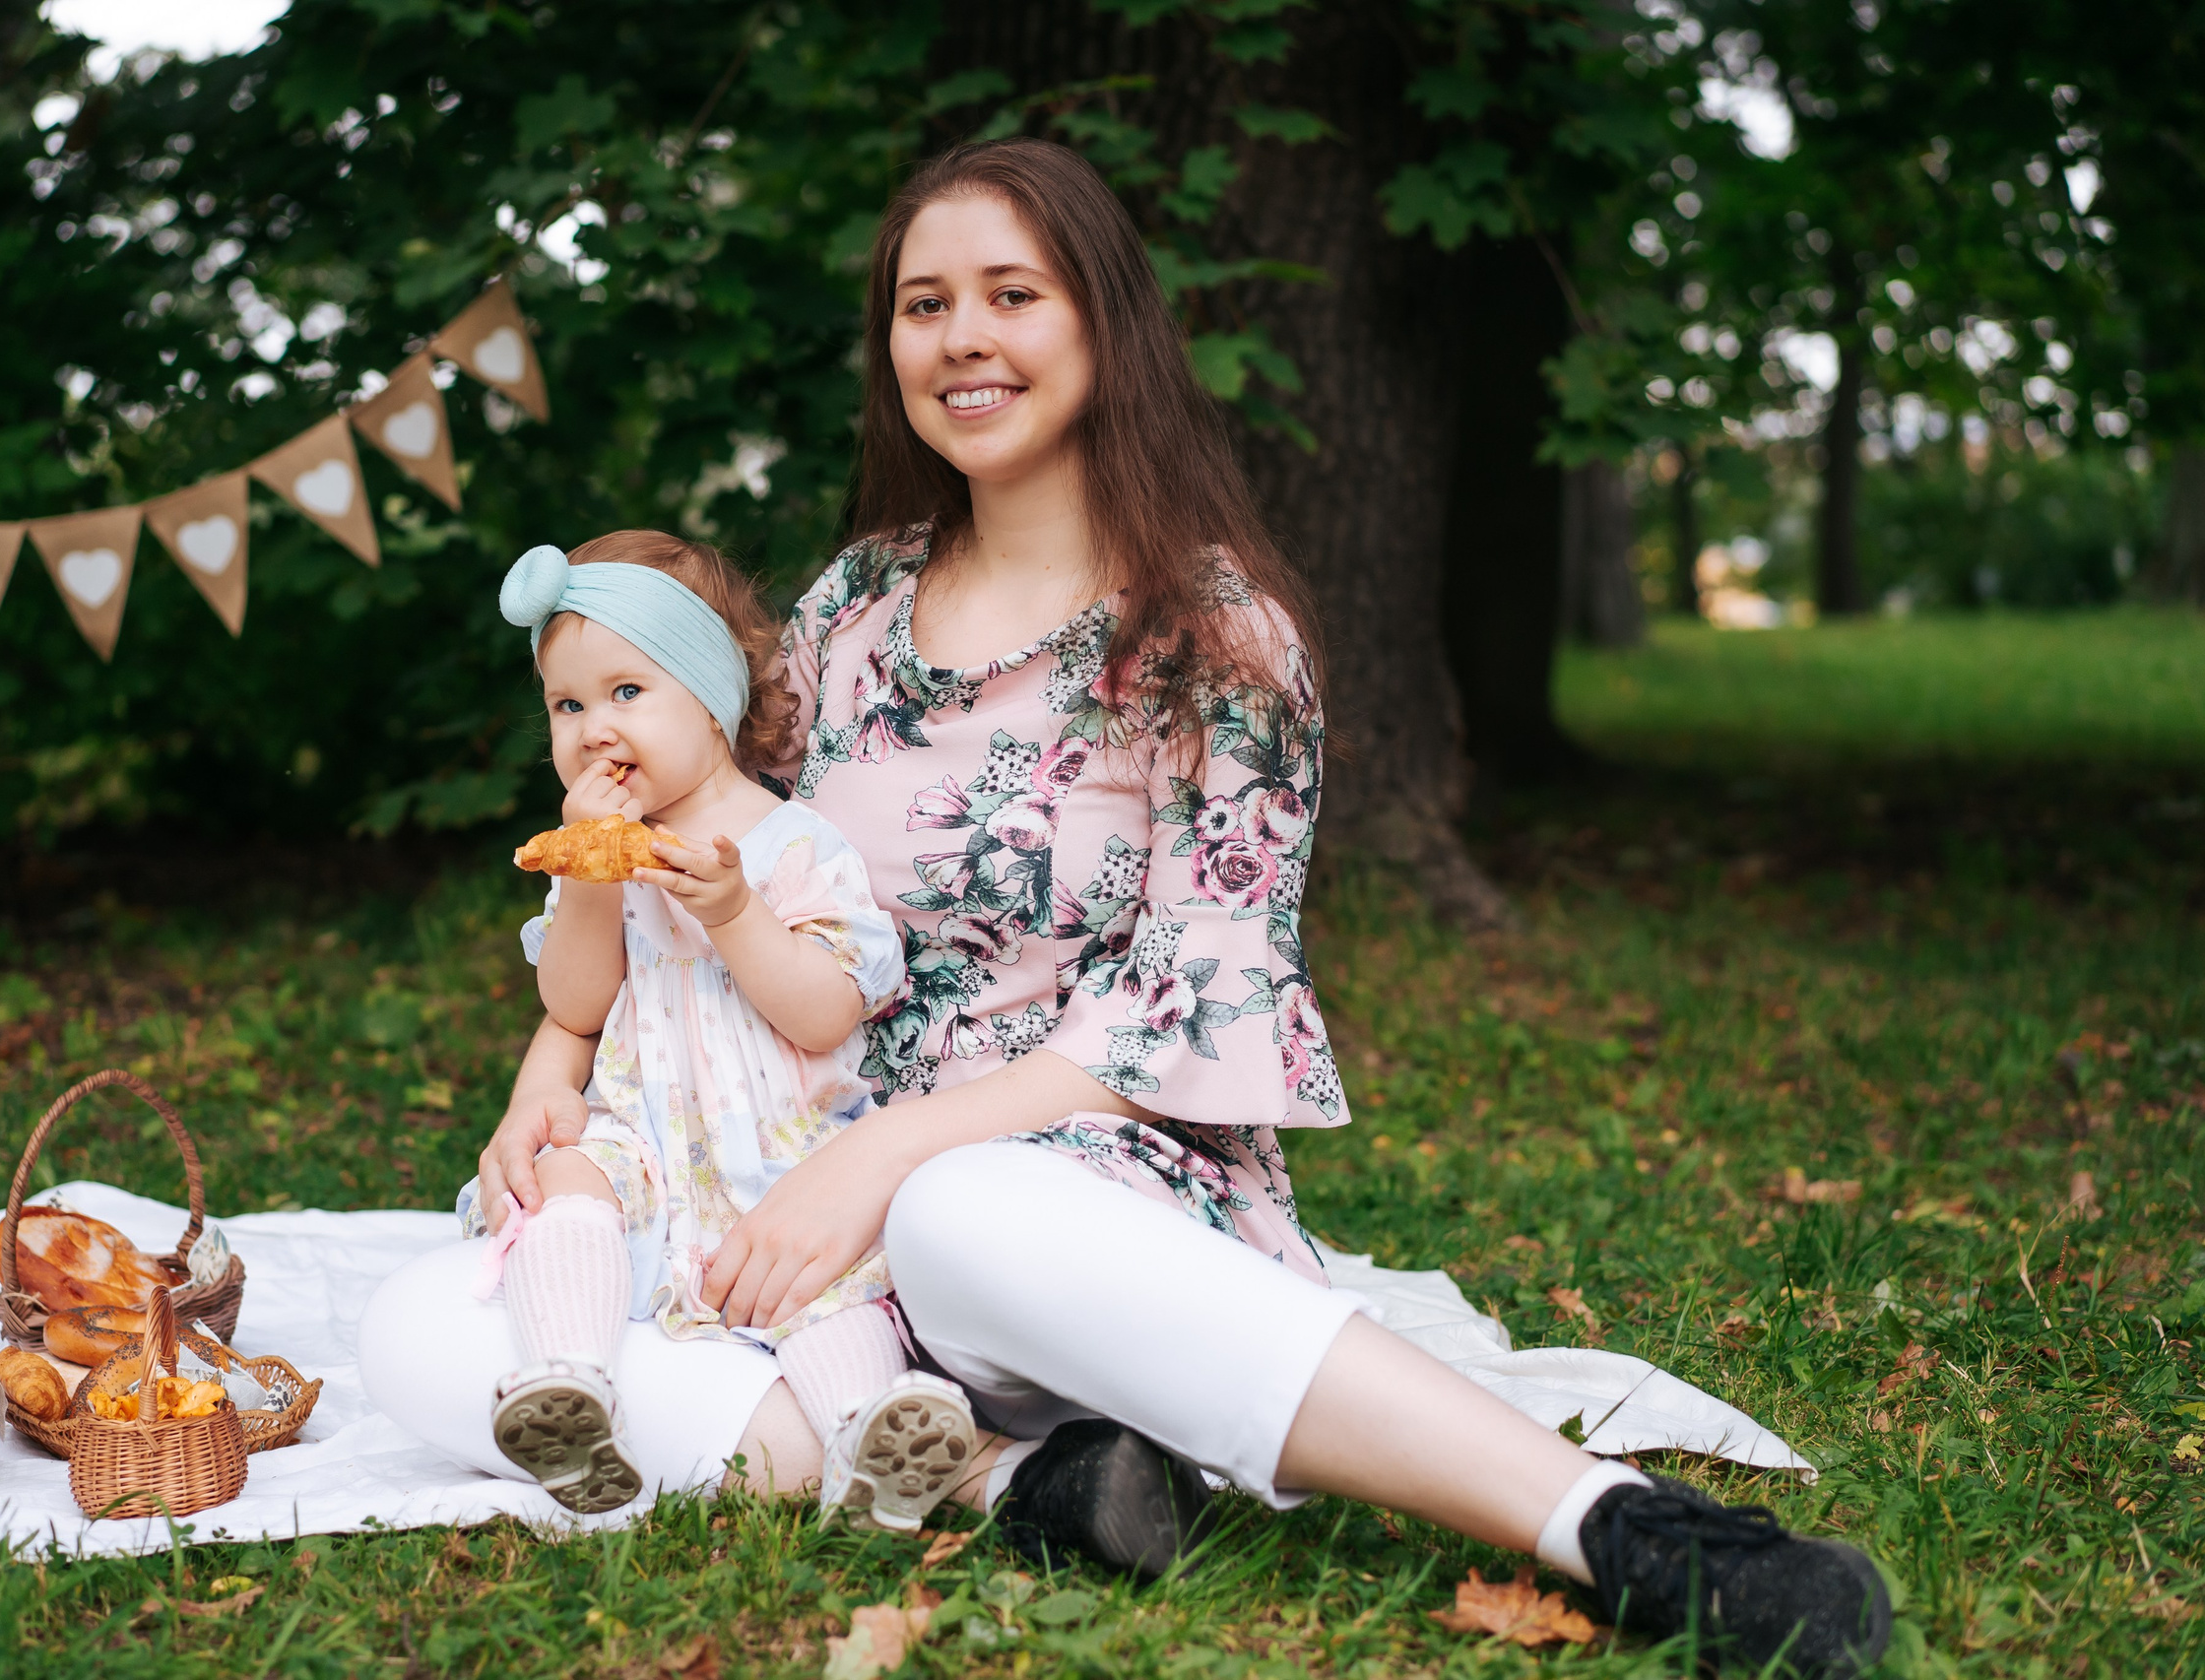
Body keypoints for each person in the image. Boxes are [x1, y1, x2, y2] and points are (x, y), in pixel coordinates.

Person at [364, 140, 1889, 1678]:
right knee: (426, 1331)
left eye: (1011, 294)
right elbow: (681, 847)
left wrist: (889, 1157)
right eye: (923, 303)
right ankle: (1015, 1479)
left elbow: (1191, 998)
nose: (962, 337)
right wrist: (553, 1075)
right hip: (794, 1190)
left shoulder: (1216, 636)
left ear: (1104, 321)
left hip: (1065, 1192)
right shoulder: (849, 611)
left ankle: (1615, 1524)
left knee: (960, 1214)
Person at [452, 529, 977, 1529]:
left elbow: (826, 1010)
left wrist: (737, 912)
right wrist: (591, 876)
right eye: (567, 705)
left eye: (625, 691)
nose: (592, 729)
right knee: (566, 1177)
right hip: (647, 1142)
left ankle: (870, 1440)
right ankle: (568, 1386)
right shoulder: (594, 852)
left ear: (709, 694)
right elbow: (575, 1003)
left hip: (785, 1153)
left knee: (823, 1288)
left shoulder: (793, 844)